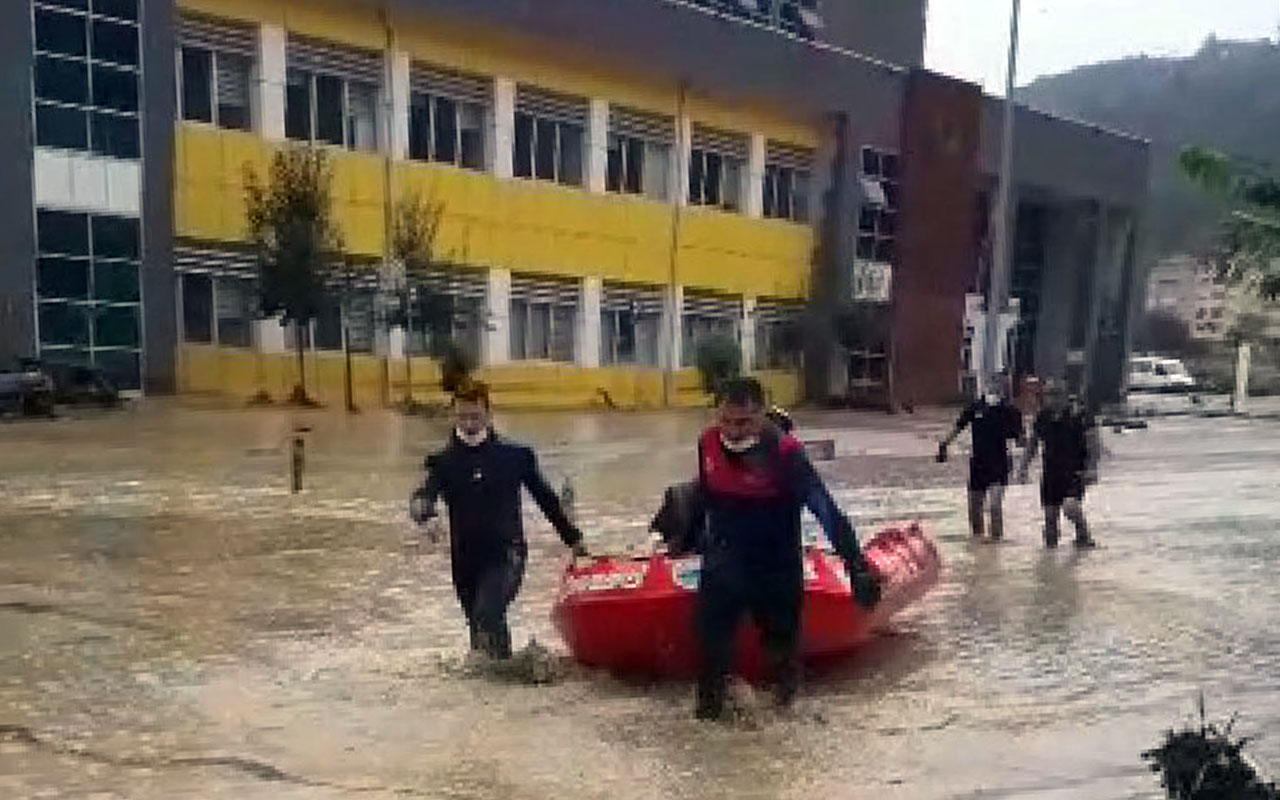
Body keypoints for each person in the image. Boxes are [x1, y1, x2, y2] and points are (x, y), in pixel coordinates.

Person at [691, 378, 881, 721]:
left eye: (744, 422)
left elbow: (825, 509)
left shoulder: (785, 454)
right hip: (724, 564)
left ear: (762, 415)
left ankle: (786, 735)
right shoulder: (706, 444)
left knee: (782, 661)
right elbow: (703, 498)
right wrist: (684, 539)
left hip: (776, 567)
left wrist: (856, 564)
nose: (733, 432)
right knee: (710, 662)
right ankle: (709, 738)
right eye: (726, 421)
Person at [410, 382, 588, 659]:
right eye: (462, 416)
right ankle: (498, 690)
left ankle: (504, 678)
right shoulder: (443, 462)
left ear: (488, 414)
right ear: (454, 415)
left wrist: (574, 540)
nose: (469, 423)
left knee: (487, 614)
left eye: (475, 416)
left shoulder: (515, 456)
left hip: (507, 554)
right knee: (480, 634)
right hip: (465, 561)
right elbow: (423, 496)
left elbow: (546, 500)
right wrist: (425, 515)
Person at [939, 377, 1025, 542]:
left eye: (1000, 384)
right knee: (974, 507)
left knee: (994, 505)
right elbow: (959, 427)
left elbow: (1020, 439)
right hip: (978, 463)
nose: (996, 386)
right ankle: (977, 541)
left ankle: (996, 541)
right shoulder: (975, 407)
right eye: (993, 382)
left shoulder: (1011, 411)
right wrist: (944, 444)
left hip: (1000, 463)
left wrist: (1023, 441)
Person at [1018, 380, 1099, 549]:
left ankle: (1083, 534)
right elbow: (1033, 444)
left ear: (1065, 395)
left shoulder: (1080, 415)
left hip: (1075, 471)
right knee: (1050, 520)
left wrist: (1092, 468)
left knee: (1070, 507)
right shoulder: (1042, 417)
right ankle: (1050, 558)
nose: (1052, 399)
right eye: (1048, 394)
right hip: (1050, 473)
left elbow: (1094, 443)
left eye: (1056, 394)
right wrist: (1023, 467)